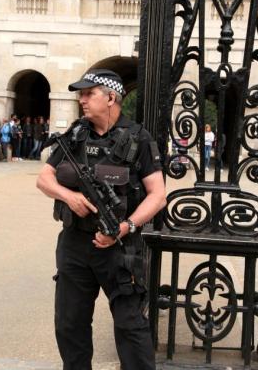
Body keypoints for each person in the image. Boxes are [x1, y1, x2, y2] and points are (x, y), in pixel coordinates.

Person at [36, 69, 166, 370]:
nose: (81, 99)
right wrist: (68, 197)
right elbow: (44, 179)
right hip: (75, 243)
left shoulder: (139, 138)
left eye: (88, 93)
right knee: (69, 323)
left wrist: (126, 227)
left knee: (130, 325)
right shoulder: (75, 135)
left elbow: (158, 195)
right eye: (80, 94)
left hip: (119, 248)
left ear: (110, 97)